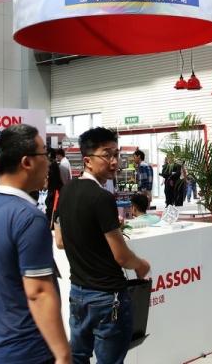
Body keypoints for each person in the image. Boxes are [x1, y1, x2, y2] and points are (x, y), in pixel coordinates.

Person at [0, 124, 70, 364]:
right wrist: (63, 354)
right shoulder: (28, 217)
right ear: (27, 162)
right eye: (44, 154)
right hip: (30, 350)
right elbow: (38, 292)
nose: (49, 162)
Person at [56, 127, 150, 364]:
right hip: (108, 297)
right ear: (87, 160)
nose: (114, 161)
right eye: (107, 155)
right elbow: (122, 256)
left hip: (78, 293)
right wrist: (141, 265)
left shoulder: (66, 191)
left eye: (116, 154)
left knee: (78, 357)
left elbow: (60, 241)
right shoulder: (102, 198)